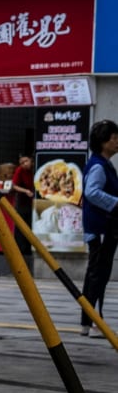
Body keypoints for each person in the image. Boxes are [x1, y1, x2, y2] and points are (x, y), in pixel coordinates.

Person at [80, 120, 118, 337]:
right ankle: (93, 321)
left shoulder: (101, 164)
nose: (117, 142)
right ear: (103, 142)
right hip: (101, 228)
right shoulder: (98, 166)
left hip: (103, 227)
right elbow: (92, 192)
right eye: (114, 138)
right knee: (97, 274)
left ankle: (89, 321)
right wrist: (115, 202)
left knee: (97, 274)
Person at [10, 154, 35, 256]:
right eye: (22, 163)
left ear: (31, 160)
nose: (24, 164)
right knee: (21, 226)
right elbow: (14, 186)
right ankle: (20, 250)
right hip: (22, 202)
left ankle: (28, 249)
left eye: (26, 161)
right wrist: (26, 191)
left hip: (31, 203)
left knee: (29, 225)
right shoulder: (20, 170)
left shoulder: (34, 170)